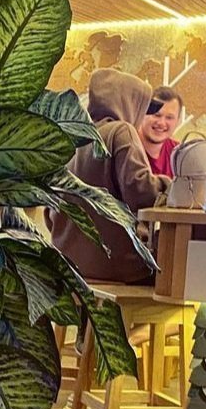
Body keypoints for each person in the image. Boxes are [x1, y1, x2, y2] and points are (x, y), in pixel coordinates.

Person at [51, 68, 170, 284]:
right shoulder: (120, 131)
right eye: (141, 108)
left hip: (69, 267)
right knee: (180, 275)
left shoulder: (73, 138)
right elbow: (141, 192)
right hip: (117, 268)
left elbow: (50, 213)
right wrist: (168, 185)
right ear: (128, 103)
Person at [137, 85, 182, 176]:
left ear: (177, 121)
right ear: (142, 113)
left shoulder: (179, 154)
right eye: (157, 115)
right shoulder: (125, 146)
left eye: (169, 117)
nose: (161, 123)